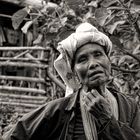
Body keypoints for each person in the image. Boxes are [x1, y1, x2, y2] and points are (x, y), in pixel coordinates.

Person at [3, 22, 140, 140]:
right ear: (74, 72)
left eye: (98, 54)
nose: (93, 64)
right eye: (82, 59)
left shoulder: (129, 107)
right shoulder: (59, 111)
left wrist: (106, 118)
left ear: (109, 61)